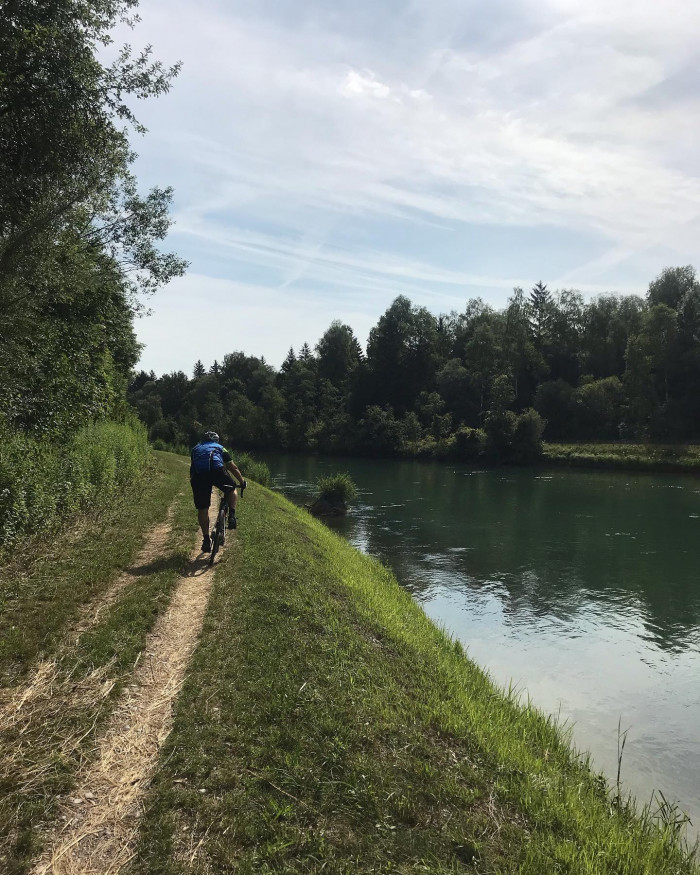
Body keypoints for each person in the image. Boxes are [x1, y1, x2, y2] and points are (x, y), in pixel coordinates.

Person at [190, 431, 246, 553]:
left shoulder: (195, 449)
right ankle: (231, 515)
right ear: (216, 441)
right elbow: (233, 467)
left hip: (198, 476)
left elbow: (193, 466)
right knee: (231, 488)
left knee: (203, 509)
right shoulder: (220, 448)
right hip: (217, 471)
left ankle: (205, 540)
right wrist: (242, 482)